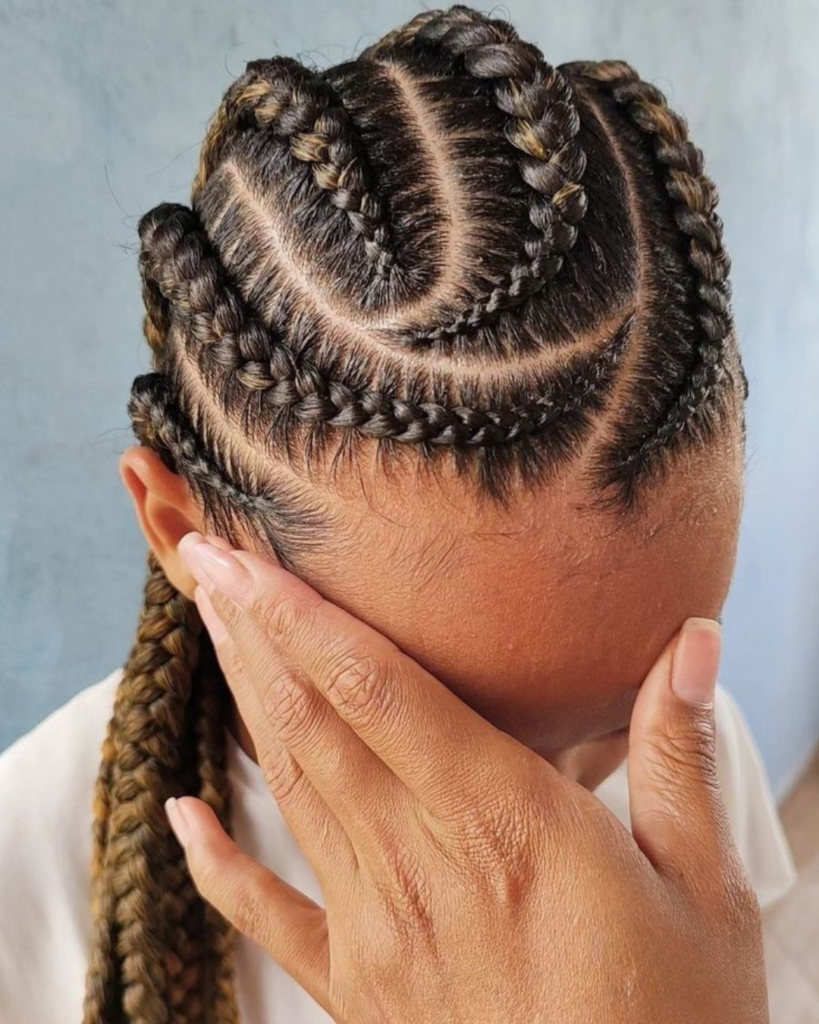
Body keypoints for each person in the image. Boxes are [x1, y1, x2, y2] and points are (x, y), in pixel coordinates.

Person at [0, 5, 795, 1023]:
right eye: (447, 725)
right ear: (183, 536)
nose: (566, 815)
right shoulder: (27, 873)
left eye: (634, 707)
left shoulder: (688, 759)